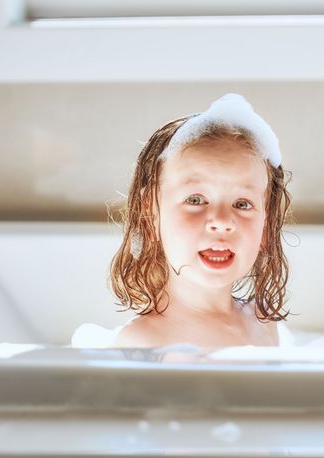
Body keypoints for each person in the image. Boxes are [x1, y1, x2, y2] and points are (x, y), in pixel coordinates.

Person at [110, 93, 291, 348]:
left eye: (242, 204)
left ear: (266, 224)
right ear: (151, 213)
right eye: (195, 200)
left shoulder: (263, 325)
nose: (221, 221)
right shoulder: (142, 342)